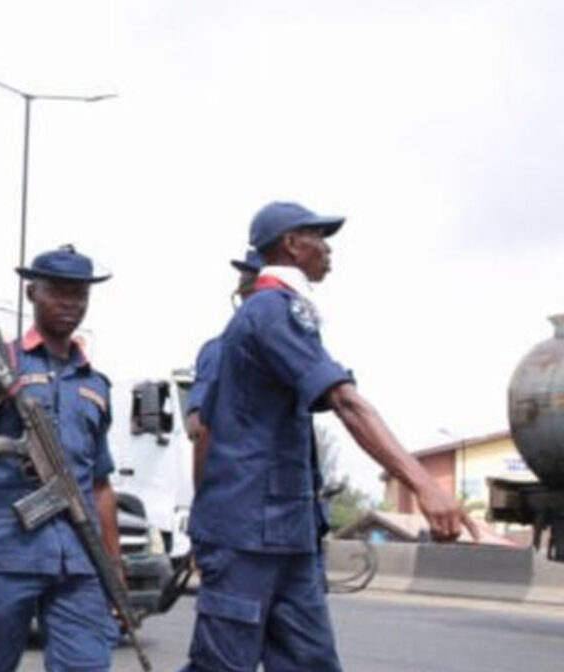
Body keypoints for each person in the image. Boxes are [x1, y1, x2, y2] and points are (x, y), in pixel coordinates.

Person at [181, 202, 478, 672]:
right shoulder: (271, 312)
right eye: (319, 236)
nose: (328, 248)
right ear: (292, 245)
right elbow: (345, 401)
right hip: (246, 534)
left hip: (288, 533)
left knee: (310, 663)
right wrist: (423, 483)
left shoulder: (286, 311)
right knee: (222, 666)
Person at [0, 245, 122, 672]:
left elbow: (101, 483)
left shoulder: (97, 385)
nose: (71, 304)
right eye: (59, 292)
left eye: (80, 295)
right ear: (32, 292)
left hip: (79, 559)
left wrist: (114, 567)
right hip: (4, 551)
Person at [185, 249, 262, 490]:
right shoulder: (223, 351)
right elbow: (199, 427)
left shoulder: (287, 356)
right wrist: (204, 500)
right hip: (237, 498)